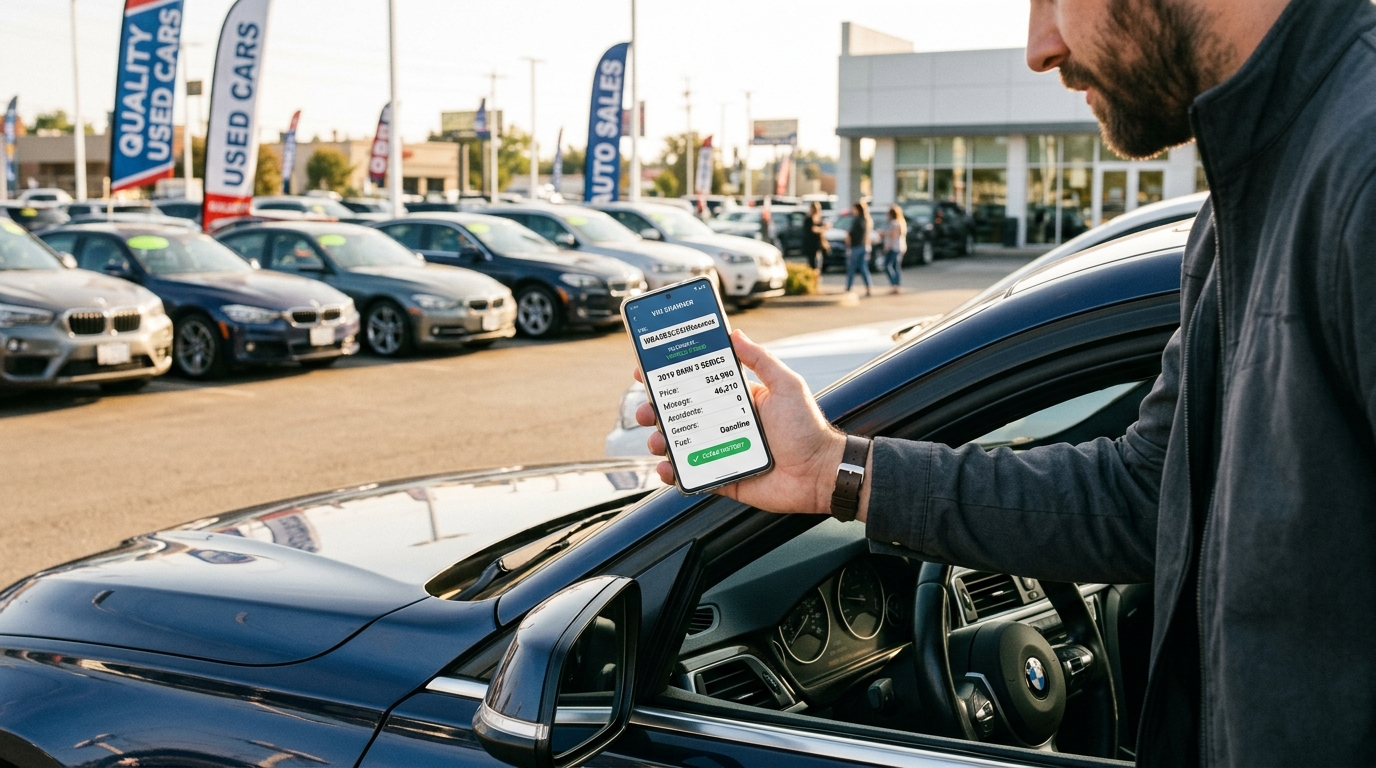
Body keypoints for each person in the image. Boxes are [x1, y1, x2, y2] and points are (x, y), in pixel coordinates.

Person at [636, 0, 1376, 765]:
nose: (1039, 47)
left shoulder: (1359, 167)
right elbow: (1145, 496)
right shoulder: (1254, 196)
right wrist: (830, 470)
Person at [843, 200, 872, 297]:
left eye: (854, 209)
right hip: (864, 246)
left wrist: (847, 246)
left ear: (857, 209)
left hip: (855, 247)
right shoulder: (866, 220)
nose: (852, 210)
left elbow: (849, 234)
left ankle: (848, 288)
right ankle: (868, 287)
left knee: (851, 268)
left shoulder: (856, 220)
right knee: (863, 268)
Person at [881, 204, 907, 294]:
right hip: (898, 247)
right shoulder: (900, 222)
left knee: (887, 265)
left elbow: (893, 236)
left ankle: (894, 285)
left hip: (894, 247)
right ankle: (896, 285)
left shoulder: (895, 223)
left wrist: (884, 235)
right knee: (896, 267)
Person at [804, 201, 827, 281]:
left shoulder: (819, 219)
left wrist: (824, 241)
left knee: (819, 263)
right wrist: (823, 228)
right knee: (813, 263)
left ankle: (816, 278)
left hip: (818, 244)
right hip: (811, 244)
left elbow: (821, 233)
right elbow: (813, 229)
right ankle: (813, 279)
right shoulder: (809, 219)